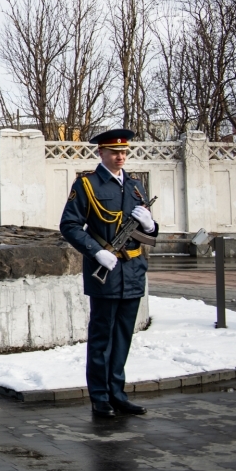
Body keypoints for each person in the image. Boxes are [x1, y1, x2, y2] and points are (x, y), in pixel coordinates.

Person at [60, 129, 159, 418]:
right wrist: (96, 251)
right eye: (114, 152)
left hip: (133, 271)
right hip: (105, 270)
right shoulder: (87, 185)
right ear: (101, 153)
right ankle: (100, 396)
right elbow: (69, 226)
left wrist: (151, 227)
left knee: (123, 336)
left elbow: (145, 231)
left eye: (124, 152)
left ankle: (118, 393)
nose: (120, 157)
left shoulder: (135, 187)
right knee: (102, 336)